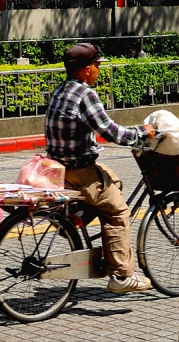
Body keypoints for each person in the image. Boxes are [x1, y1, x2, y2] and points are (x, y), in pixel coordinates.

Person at [44, 42, 157, 294]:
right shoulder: (85, 94)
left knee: (113, 181)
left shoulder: (59, 91)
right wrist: (142, 133)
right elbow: (110, 131)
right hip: (80, 172)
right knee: (117, 212)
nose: (98, 71)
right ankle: (121, 275)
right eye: (97, 66)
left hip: (58, 170)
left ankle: (78, 221)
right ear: (86, 70)